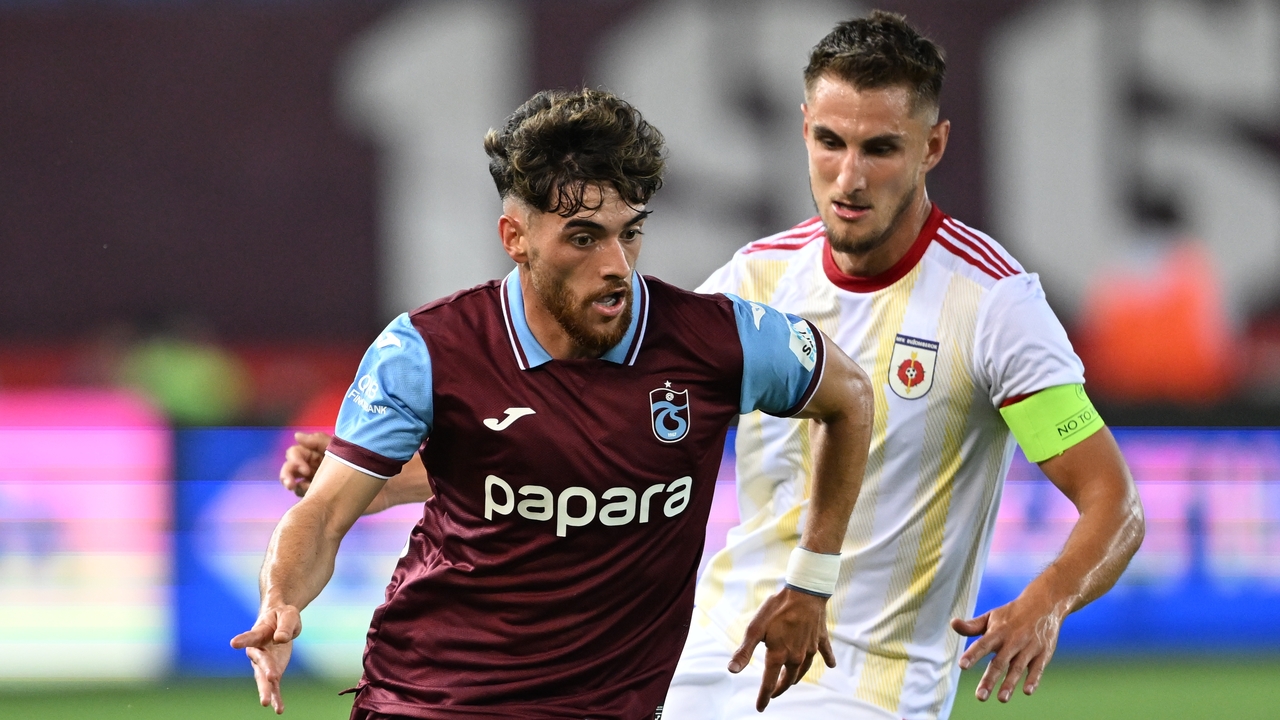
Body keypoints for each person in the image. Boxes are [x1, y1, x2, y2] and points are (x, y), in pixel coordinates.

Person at [282, 12, 1146, 719]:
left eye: (881, 148)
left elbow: (1114, 502)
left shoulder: (993, 305)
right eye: (830, 142)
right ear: (802, 130)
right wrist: (375, 479)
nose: (849, 176)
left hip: (869, 681)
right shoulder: (756, 281)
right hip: (711, 655)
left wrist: (1045, 601)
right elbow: (592, 437)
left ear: (934, 147)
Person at [243, 87, 876, 719]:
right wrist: (280, 601)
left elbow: (850, 397)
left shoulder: (716, 342)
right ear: (515, 237)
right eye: (584, 238)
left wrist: (812, 580)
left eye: (630, 233)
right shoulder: (426, 351)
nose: (616, 264)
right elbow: (323, 513)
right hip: (431, 700)